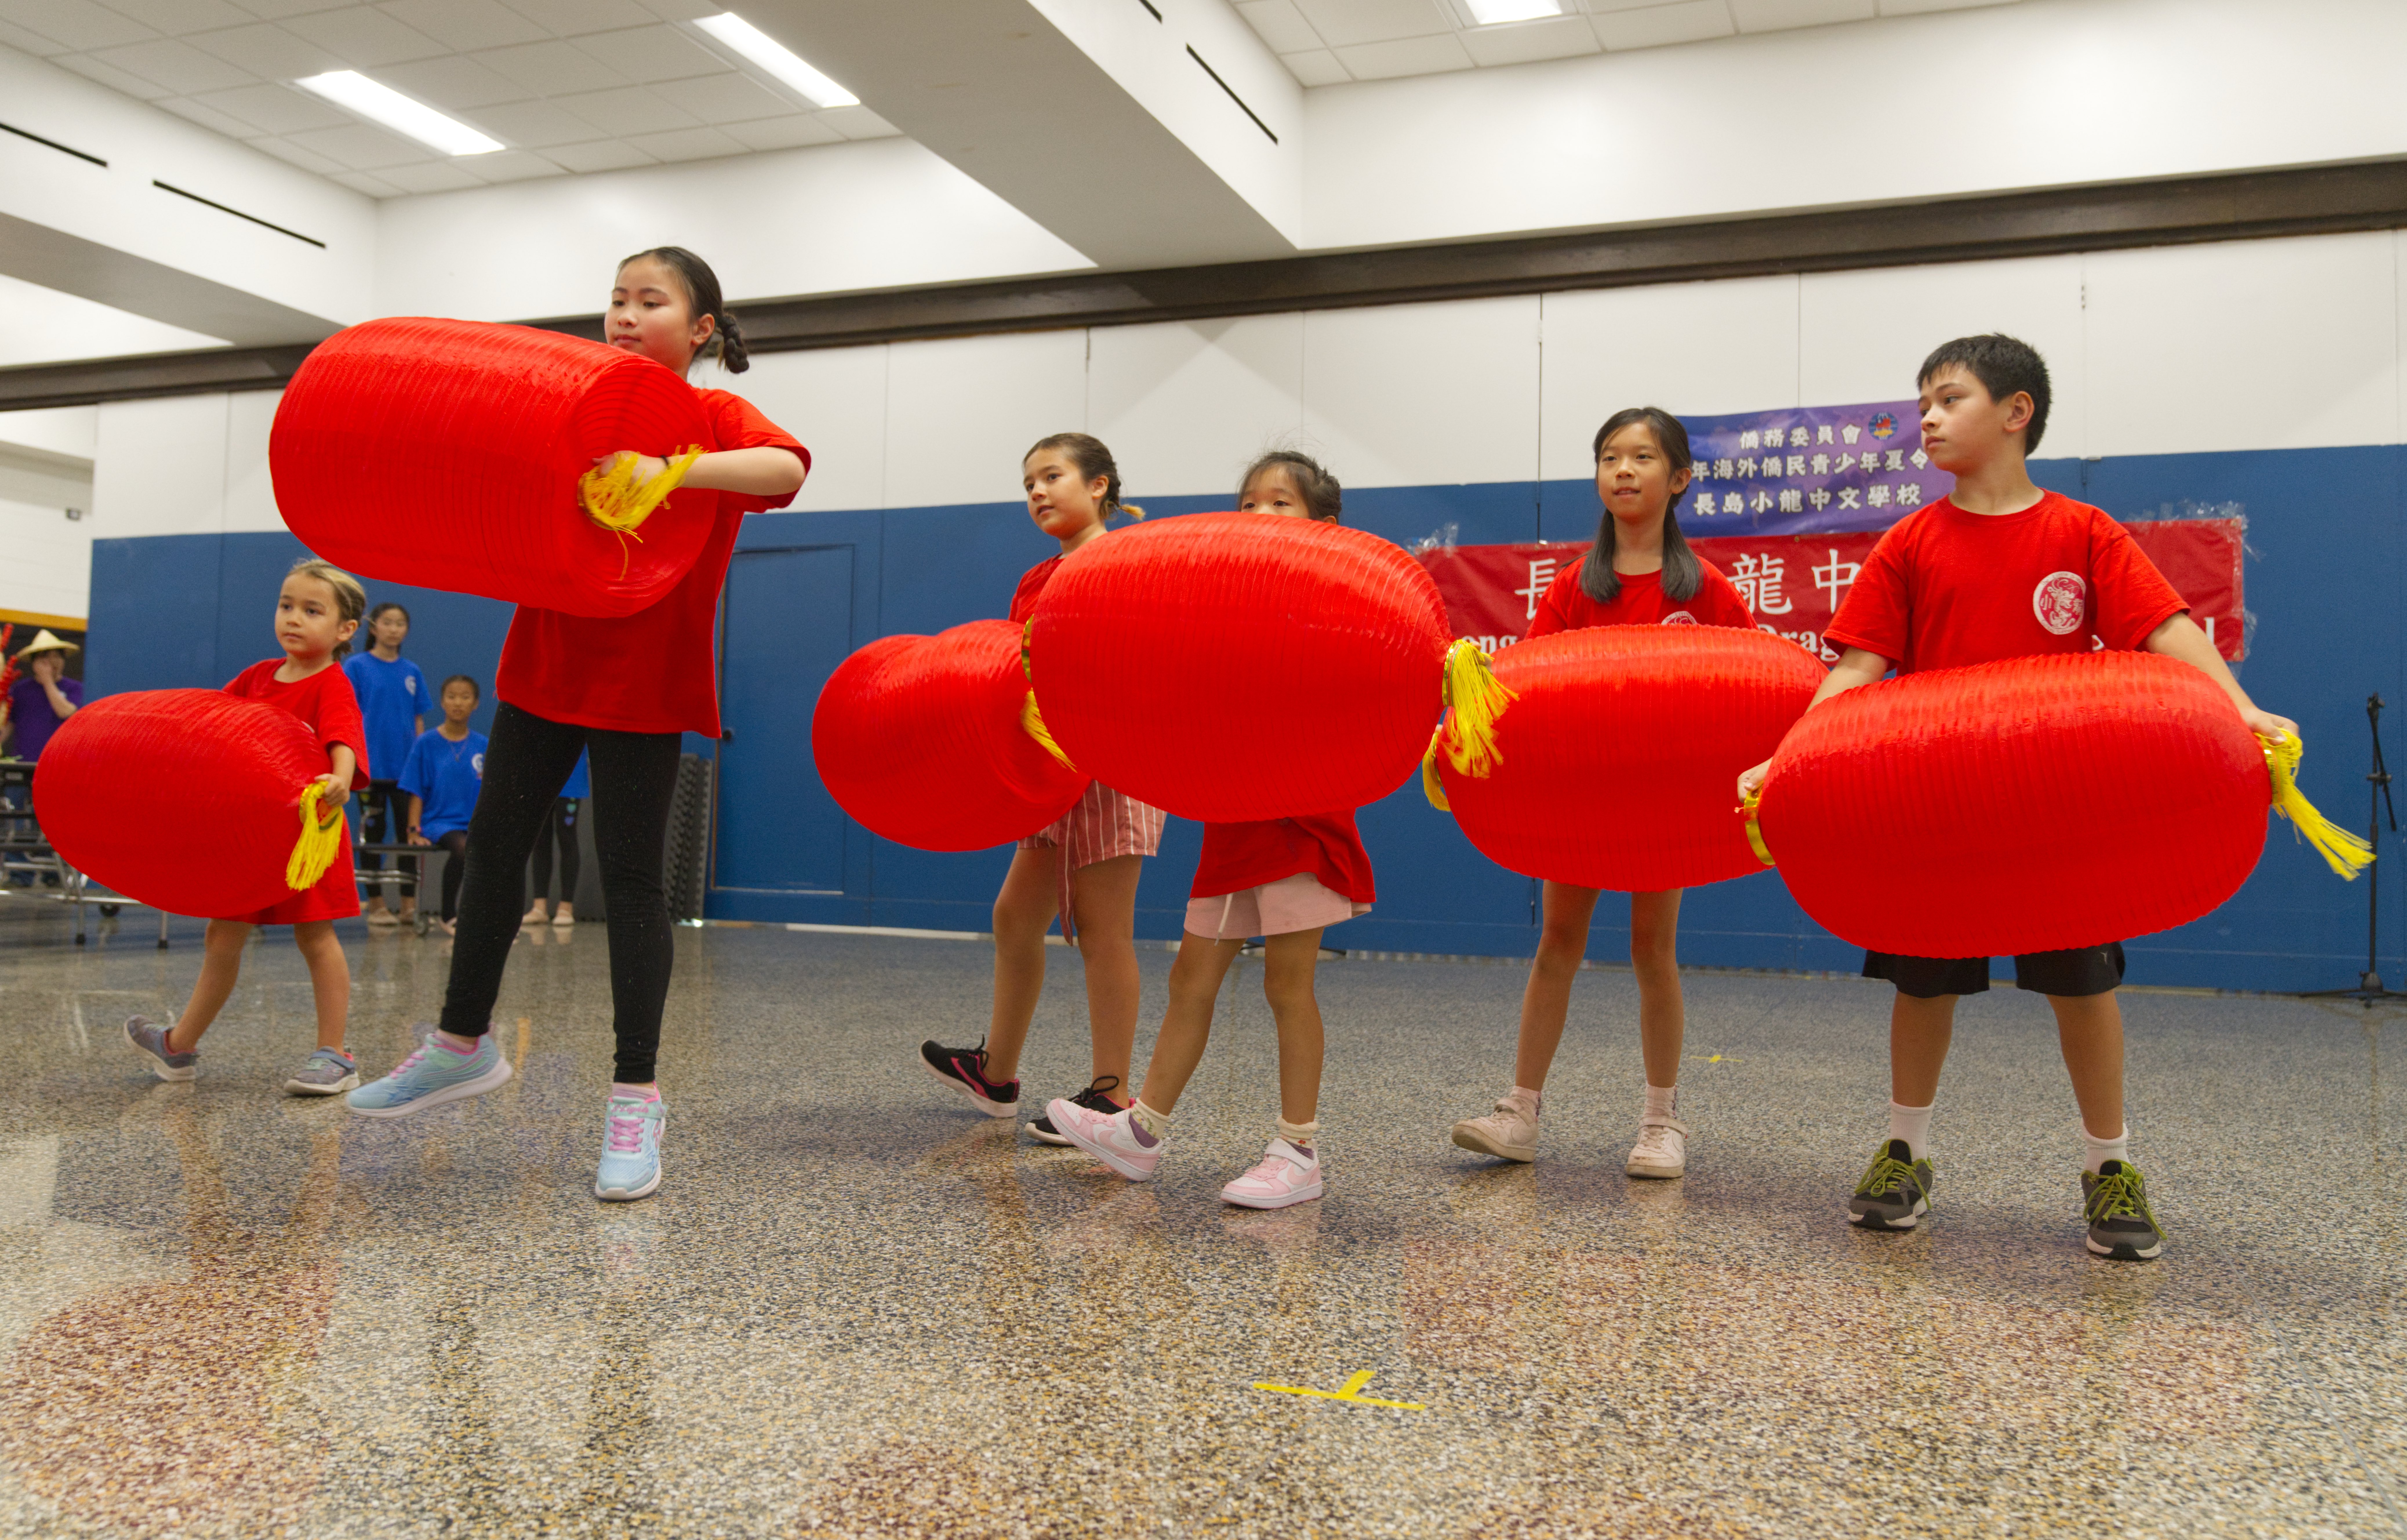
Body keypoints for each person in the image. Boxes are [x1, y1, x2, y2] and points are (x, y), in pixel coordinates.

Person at [1734, 334, 2298, 1263]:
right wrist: (1786, 753)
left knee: (2082, 989)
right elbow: (1859, 665)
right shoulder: (1909, 542)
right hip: (1934, 807)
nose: (1925, 417)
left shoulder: (2081, 532)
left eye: (1947, 398)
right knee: (1921, 984)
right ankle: (1904, 1152)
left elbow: (2162, 628)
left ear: (2015, 412)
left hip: (2056, 813)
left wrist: (2237, 707)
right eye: (1919, 402)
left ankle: (2108, 1168)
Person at [345, 246, 808, 1207]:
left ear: (702, 330)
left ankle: (635, 1097)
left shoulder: (711, 417)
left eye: (652, 302)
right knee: (493, 851)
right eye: (616, 301)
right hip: (544, 668)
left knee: (633, 880)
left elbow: (785, 468)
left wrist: (667, 470)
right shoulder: (579, 402)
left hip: (645, 682)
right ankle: (458, 1045)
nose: (627, 316)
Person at [1047, 451, 1372, 1210]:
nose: (1260, 517)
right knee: (1189, 976)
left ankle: (1298, 1150)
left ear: (1323, 526)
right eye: (1249, 504)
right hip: (1232, 820)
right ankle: (1142, 1132)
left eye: (1280, 503)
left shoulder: (1336, 604)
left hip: (1300, 817)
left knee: (1286, 985)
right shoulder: (1224, 605)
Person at [1449, 408, 1755, 1180]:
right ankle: (1518, 1112)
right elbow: (1523, 689)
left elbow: (1752, 686)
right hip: (1581, 800)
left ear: (1678, 479)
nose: (1622, 470)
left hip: (1664, 804)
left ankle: (1660, 1123)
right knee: (1556, 942)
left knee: (1652, 948)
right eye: (1608, 457)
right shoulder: (1571, 592)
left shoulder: (1708, 592)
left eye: (1642, 457)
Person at [918, 434, 1164, 1144]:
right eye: (1028, 481)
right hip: (1049, 774)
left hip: (1113, 766)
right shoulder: (1033, 579)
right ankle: (996, 1073)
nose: (1037, 491)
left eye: (1053, 476)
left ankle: (1112, 1097)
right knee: (1013, 916)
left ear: (1100, 486)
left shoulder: (1127, 561)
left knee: (1103, 930)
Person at [123, 560, 369, 1096]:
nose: (294, 618)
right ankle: (179, 1046)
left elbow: (342, 739)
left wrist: (341, 778)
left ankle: (336, 1054)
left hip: (309, 834)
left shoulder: (332, 683)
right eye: (286, 605)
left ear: (345, 630)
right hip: (250, 839)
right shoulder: (257, 677)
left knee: (316, 934)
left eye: (312, 610)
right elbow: (216, 723)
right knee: (222, 935)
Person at [345, 602, 427, 928]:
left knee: (410, 835)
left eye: (401, 623)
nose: (394, 629)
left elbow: (418, 718)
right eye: (387, 622)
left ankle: (409, 905)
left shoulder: (412, 671)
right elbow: (347, 714)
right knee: (373, 835)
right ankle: (376, 903)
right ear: (373, 627)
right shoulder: (357, 666)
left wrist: (419, 762)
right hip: (370, 770)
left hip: (405, 772)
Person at [401, 675, 488, 936]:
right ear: (442, 702)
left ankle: (488, 918)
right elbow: (416, 790)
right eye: (451, 697)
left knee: (493, 853)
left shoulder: (483, 746)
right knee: (462, 849)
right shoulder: (426, 743)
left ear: (476, 704)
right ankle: (448, 914)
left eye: (465, 697)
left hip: (473, 822)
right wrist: (414, 830)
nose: (458, 703)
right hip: (440, 823)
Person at [522, 750, 588, 927]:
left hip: (571, 777)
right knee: (540, 838)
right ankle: (539, 907)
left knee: (567, 835)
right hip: (541, 774)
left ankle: (566, 907)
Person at [3, 629, 81, 760]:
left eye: (57, 656)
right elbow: (7, 727)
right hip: (24, 763)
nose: (52, 662)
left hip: (60, 762)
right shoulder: (20, 690)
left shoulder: (75, 688)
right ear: (34, 663)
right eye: (45, 657)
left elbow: (66, 713)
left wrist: (47, 681)